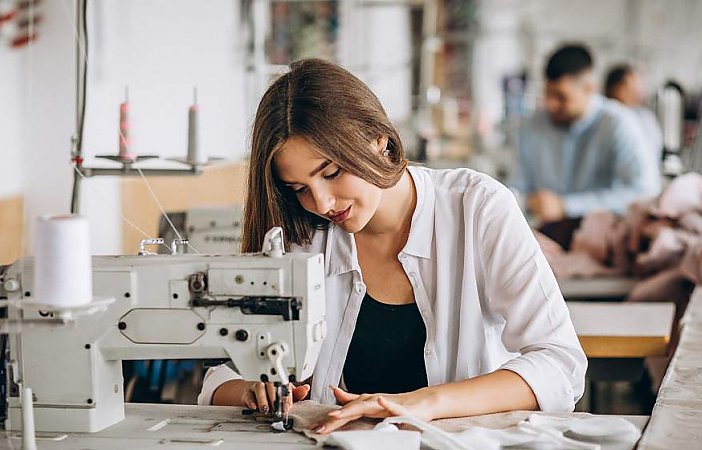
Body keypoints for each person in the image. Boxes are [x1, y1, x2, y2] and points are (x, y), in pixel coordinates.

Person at [197, 59, 586, 434]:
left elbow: (560, 365)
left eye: (332, 173)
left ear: (378, 139)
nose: (322, 203)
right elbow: (222, 374)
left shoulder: (476, 207)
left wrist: (426, 403)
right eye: (299, 189)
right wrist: (252, 390)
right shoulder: (304, 232)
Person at [512, 44, 660, 225]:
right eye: (548, 94)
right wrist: (526, 202)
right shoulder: (532, 125)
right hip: (544, 233)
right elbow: (517, 187)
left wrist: (565, 206)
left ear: (589, 88)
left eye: (561, 97)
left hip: (603, 239)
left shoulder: (619, 124)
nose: (551, 104)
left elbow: (643, 193)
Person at [604, 64, 664, 167]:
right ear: (616, 87)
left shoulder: (645, 118)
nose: (636, 92)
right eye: (629, 87)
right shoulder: (605, 117)